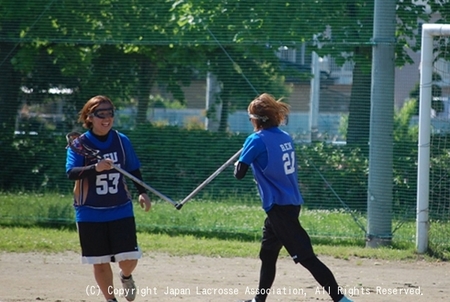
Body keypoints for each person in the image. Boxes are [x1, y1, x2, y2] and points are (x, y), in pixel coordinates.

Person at [234, 93, 353, 302]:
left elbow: (239, 174)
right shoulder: (284, 137)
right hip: (285, 205)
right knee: (268, 254)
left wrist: (240, 162)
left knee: (307, 257)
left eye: (250, 117)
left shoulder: (255, 140)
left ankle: (341, 299)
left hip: (279, 208)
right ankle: (258, 300)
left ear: (257, 119)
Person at [66, 95, 151, 302]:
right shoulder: (79, 144)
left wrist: (142, 191)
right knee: (100, 261)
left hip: (120, 207)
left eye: (110, 113)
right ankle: (110, 299)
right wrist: (95, 168)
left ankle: (126, 276)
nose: (106, 118)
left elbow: (133, 168)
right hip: (89, 211)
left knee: (129, 258)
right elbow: (71, 172)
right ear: (89, 117)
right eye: (100, 114)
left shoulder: (121, 141)